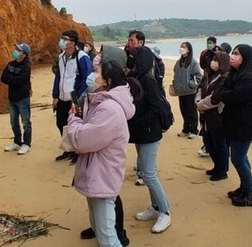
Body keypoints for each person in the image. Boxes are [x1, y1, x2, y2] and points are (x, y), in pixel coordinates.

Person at [66, 60, 138, 247]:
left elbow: (83, 141)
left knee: (107, 238)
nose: (92, 75)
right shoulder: (100, 101)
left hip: (102, 174)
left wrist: (73, 118)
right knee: (100, 227)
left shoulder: (109, 109)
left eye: (96, 71)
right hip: (96, 171)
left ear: (107, 81)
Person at [128, 46, 172, 234]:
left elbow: (157, 108)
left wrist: (138, 122)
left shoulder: (148, 80)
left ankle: (165, 211)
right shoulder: (136, 78)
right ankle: (155, 207)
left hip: (150, 134)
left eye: (133, 58)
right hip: (141, 133)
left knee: (148, 174)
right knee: (147, 171)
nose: (130, 61)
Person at [212, 44, 252, 207]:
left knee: (238, 159)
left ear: (245, 57)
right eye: (233, 53)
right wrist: (225, 94)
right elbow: (220, 93)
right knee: (242, 157)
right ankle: (244, 187)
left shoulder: (249, 77)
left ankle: (250, 193)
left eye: (237, 54)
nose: (233, 56)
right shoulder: (234, 74)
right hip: (233, 122)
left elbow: (232, 96)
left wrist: (225, 95)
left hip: (244, 124)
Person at [52, 30, 92, 164]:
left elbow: (86, 78)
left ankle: (78, 151)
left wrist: (77, 99)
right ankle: (68, 149)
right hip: (62, 97)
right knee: (61, 123)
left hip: (75, 98)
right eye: (61, 38)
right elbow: (58, 77)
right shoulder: (61, 56)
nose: (62, 41)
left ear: (73, 42)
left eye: (65, 39)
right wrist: (55, 96)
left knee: (75, 125)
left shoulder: (82, 57)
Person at [195, 51, 230, 181]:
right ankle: (216, 166)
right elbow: (199, 89)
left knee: (219, 143)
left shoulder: (225, 77)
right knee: (208, 142)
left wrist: (200, 106)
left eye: (216, 60)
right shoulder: (208, 74)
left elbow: (216, 98)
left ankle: (222, 170)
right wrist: (197, 102)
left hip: (217, 116)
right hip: (205, 115)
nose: (213, 62)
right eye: (212, 60)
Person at [1, 43, 32, 154]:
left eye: (19, 50)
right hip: (12, 98)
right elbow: (3, 77)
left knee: (26, 122)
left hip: (22, 98)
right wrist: (12, 79)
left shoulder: (26, 66)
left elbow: (19, 80)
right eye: (16, 49)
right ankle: (17, 142)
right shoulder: (11, 64)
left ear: (24, 54)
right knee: (13, 122)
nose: (16, 51)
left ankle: (27, 144)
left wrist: (11, 78)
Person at [173, 41, 202, 138]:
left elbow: (198, 76)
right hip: (181, 91)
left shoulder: (193, 62)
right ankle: (186, 129)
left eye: (184, 47)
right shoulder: (178, 62)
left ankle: (194, 130)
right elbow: (175, 74)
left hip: (190, 91)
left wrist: (191, 84)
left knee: (191, 111)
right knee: (184, 111)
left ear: (189, 50)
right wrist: (175, 85)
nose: (182, 48)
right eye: (181, 46)